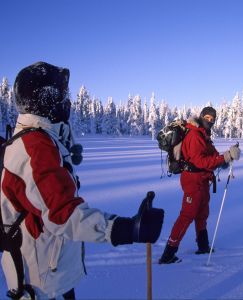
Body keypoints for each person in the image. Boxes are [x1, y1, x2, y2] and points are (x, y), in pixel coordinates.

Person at [0, 62, 164, 299]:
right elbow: (63, 215)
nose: (68, 102)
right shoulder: (36, 147)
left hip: (48, 268)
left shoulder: (36, 137)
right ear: (47, 100)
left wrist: (65, 146)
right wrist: (129, 229)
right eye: (63, 96)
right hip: (41, 283)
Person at [158, 106, 241, 264]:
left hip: (203, 180)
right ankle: (168, 254)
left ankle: (203, 246)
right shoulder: (195, 135)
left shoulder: (204, 135)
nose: (209, 121)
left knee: (202, 214)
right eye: (207, 117)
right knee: (187, 215)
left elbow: (214, 156)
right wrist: (224, 158)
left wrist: (226, 157)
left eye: (212, 119)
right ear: (202, 116)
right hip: (192, 180)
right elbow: (200, 161)